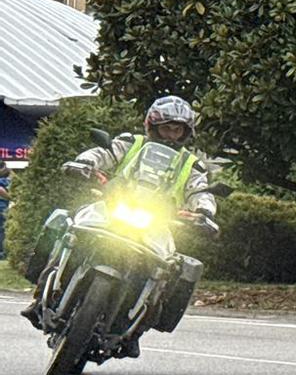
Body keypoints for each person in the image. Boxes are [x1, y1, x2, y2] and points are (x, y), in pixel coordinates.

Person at [24, 96, 216, 336]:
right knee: (68, 226)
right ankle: (41, 295)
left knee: (169, 269)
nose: (170, 135)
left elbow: (200, 190)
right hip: (113, 206)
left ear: (185, 132)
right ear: (152, 126)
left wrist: (204, 211)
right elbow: (104, 152)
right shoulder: (130, 143)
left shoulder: (191, 164)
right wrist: (85, 162)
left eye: (176, 130)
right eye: (166, 128)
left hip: (156, 223)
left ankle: (134, 331)